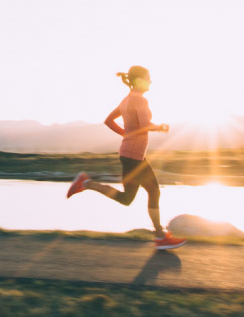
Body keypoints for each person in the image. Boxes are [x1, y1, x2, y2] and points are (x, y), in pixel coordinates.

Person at [66, 65, 186, 250]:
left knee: (141, 195)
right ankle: (161, 236)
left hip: (131, 154)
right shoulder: (140, 101)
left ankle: (160, 236)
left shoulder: (126, 100)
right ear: (139, 80)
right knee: (141, 195)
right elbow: (145, 125)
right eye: (148, 78)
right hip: (133, 157)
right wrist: (160, 127)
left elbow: (108, 121)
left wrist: (126, 135)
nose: (151, 81)